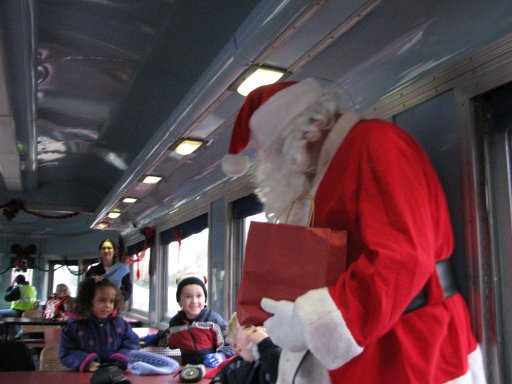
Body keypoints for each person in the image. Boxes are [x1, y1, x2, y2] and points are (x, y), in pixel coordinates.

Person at [221, 78, 486, 383]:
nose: (273, 162)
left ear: (298, 133)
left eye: (273, 151)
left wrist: (309, 322)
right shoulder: (326, 171)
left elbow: (400, 258)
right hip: (371, 353)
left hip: (410, 351)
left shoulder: (374, 144)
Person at [151, 273, 234, 367]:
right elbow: (167, 339)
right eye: (188, 297)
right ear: (179, 301)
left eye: (199, 296)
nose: (194, 301)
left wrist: (222, 355)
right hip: (187, 371)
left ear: (205, 299)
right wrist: (154, 339)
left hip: (212, 370)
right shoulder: (175, 323)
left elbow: (232, 343)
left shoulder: (214, 321)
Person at [59, 277, 140, 371]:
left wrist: (120, 359)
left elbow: (133, 343)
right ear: (88, 301)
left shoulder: (120, 324)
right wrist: (87, 363)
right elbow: (66, 353)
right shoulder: (73, 326)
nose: (108, 305)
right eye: (102, 300)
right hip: (84, 375)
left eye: (111, 301)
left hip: (115, 372)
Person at [210, 312, 281, 384]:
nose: (258, 329)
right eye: (248, 327)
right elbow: (221, 376)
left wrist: (265, 343)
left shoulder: (272, 358)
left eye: (262, 325)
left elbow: (278, 365)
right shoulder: (234, 365)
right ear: (236, 346)